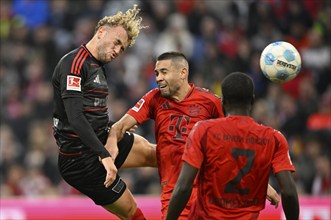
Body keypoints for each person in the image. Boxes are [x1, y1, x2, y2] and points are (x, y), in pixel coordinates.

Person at [107, 52, 280, 220]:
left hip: (208, 194)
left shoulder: (210, 102)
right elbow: (118, 127)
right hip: (174, 193)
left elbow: (238, 138)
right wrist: (112, 144)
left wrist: (261, 182)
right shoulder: (153, 98)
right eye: (157, 73)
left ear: (183, 73)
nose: (158, 78)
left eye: (164, 72)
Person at [52, 5, 157, 220]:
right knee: (131, 211)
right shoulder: (74, 63)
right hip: (80, 160)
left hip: (100, 142)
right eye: (117, 42)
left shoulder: (98, 66)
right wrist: (105, 155)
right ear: (101, 32)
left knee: (154, 153)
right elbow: (76, 118)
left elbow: (94, 115)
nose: (118, 50)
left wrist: (111, 135)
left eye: (123, 48)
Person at [166, 72, 299, 220]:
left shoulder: (203, 131)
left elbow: (184, 187)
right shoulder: (274, 138)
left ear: (223, 102)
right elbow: (289, 192)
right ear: (252, 101)